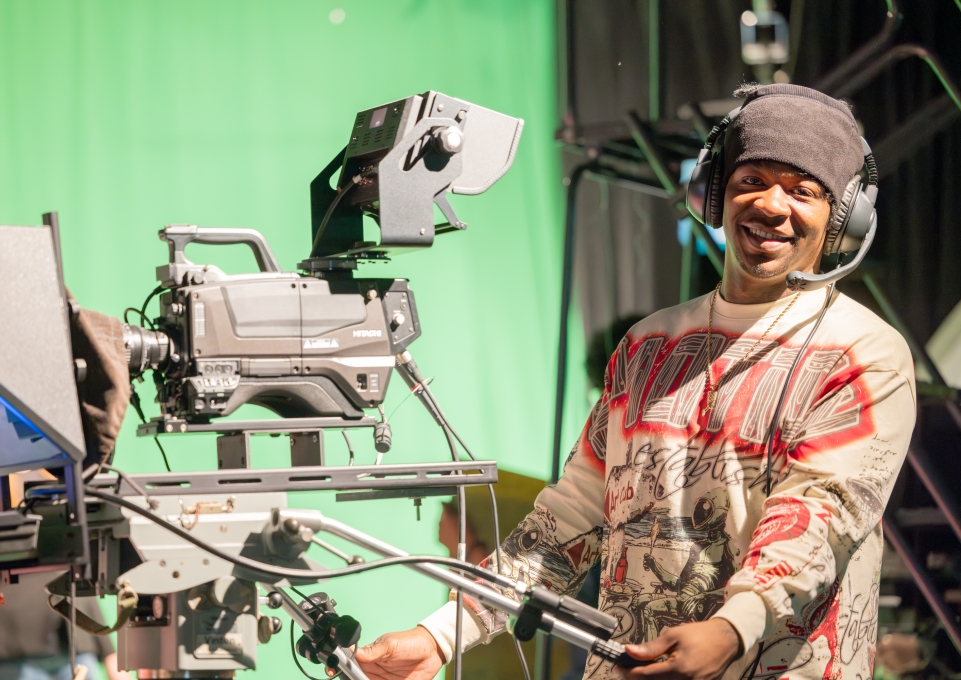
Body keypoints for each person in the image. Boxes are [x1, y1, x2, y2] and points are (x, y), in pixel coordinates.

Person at [355, 84, 916, 680]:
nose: (772, 206)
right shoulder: (649, 344)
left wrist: (731, 630)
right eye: (753, 179)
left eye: (803, 191)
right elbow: (572, 514)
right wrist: (441, 635)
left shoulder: (864, 353)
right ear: (717, 190)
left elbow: (822, 517)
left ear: (842, 219)